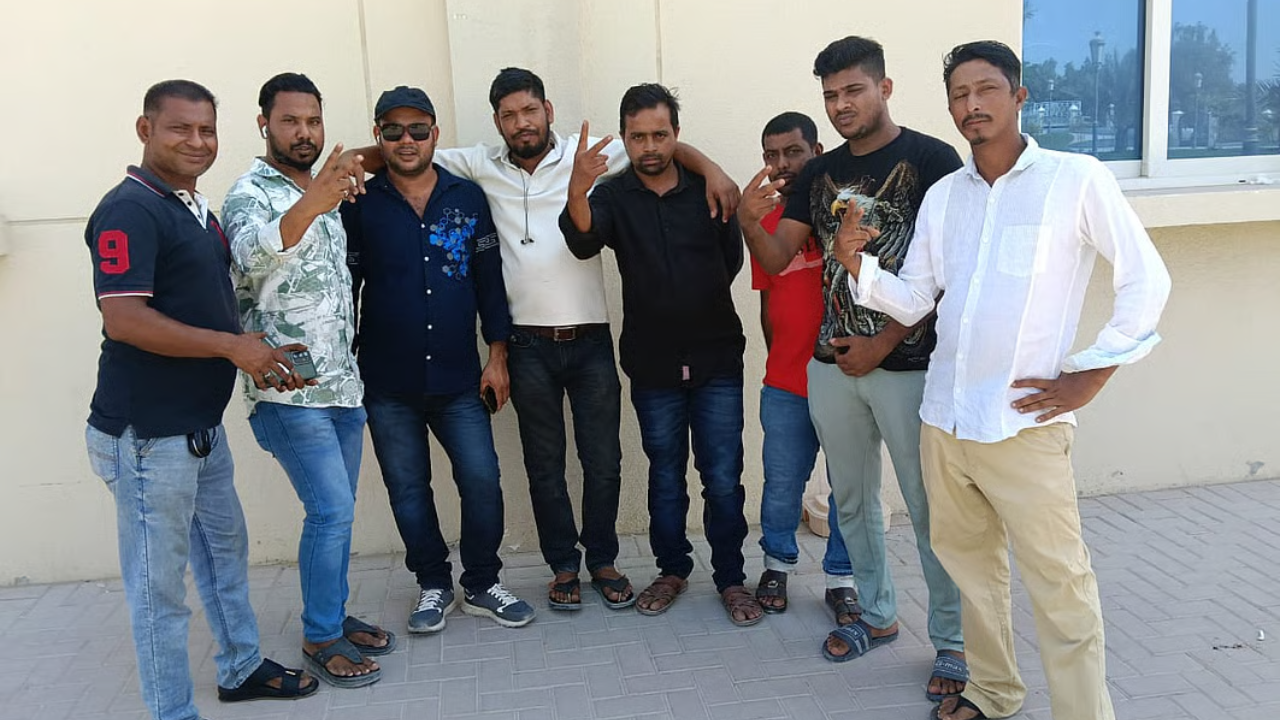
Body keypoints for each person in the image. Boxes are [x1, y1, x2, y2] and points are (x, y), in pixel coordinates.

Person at [837, 40, 1171, 720]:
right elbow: (918, 298)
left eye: (986, 90)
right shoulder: (943, 197)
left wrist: (1090, 375)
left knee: (1061, 584)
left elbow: (1146, 280)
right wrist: (859, 268)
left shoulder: (1075, 180)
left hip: (1025, 424)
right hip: (946, 421)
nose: (972, 105)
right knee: (971, 573)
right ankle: (992, 693)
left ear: (1018, 96)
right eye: (960, 95)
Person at [424, 67, 741, 611]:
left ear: (548, 109)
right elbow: (408, 152)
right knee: (544, 464)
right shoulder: (482, 164)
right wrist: (360, 150)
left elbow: (659, 144)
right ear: (498, 121)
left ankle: (603, 561)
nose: (521, 122)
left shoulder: (595, 151)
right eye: (509, 114)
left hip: (591, 340)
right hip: (526, 345)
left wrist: (711, 168)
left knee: (605, 462)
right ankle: (563, 567)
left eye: (530, 110)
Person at [738, 35, 967, 699]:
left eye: (853, 91)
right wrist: (752, 224)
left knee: (929, 508)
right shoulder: (816, 174)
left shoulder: (931, 160)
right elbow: (778, 260)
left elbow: (949, 274)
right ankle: (877, 613)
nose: (841, 105)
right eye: (831, 95)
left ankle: (952, 642)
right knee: (853, 502)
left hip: (909, 365)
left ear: (885, 88)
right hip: (832, 366)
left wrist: (885, 343)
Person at [83, 79, 317, 720]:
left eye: (207, 130)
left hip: (197, 430)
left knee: (224, 553)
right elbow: (126, 319)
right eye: (180, 129)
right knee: (160, 590)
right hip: (147, 437)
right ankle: (172, 711)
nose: (197, 142)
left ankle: (241, 667)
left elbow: (196, 302)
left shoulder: (189, 205)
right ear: (145, 130)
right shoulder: (131, 209)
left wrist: (255, 346)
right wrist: (229, 347)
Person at [561, 83, 762, 627]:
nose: (649, 146)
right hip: (652, 365)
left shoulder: (707, 188)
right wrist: (578, 190)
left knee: (722, 476)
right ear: (624, 136)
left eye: (660, 134)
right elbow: (583, 241)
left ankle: (731, 579)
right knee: (666, 476)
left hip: (717, 358)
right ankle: (672, 569)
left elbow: (729, 264)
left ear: (676, 133)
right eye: (637, 136)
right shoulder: (612, 195)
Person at [342, 85, 535, 632]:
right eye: (394, 130)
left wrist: (497, 357)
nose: (408, 140)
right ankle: (432, 584)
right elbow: (345, 286)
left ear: (435, 134)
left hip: (458, 379)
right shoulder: (361, 204)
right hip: (386, 381)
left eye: (418, 129)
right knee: (408, 489)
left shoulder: (467, 199)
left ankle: (481, 583)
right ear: (379, 135)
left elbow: (489, 285)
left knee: (481, 480)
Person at [223, 72, 394, 688]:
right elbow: (250, 256)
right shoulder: (252, 193)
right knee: (331, 510)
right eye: (290, 120)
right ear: (264, 122)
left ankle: (332, 612)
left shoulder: (324, 183)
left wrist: (351, 169)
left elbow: (380, 153)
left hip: (342, 386)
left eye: (313, 122)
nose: (304, 132)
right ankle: (322, 634)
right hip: (287, 390)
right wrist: (312, 203)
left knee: (335, 515)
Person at [747, 112, 859, 620]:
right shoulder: (767, 222)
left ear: (817, 150)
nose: (781, 164)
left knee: (848, 488)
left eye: (792, 152)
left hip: (846, 381)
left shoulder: (844, 214)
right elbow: (769, 306)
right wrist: (778, 364)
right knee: (781, 484)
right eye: (771, 155)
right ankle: (776, 565)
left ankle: (842, 577)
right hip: (786, 383)